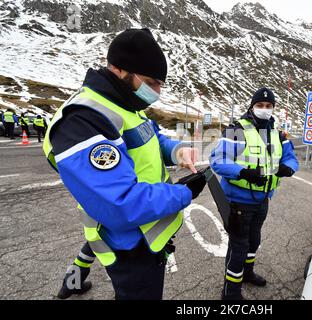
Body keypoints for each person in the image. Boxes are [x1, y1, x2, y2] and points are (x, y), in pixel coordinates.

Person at [43, 28, 206, 300]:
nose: (157, 91)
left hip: (149, 236)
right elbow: (118, 203)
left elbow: (151, 139)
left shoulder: (127, 106)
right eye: (151, 82)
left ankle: (73, 280)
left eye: (160, 84)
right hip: (129, 246)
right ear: (119, 69)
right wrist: (184, 192)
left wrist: (177, 151)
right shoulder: (84, 118)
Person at [210, 87, 299, 300]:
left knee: (254, 240)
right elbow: (218, 160)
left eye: (269, 106)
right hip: (238, 201)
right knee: (239, 246)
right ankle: (230, 292)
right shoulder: (236, 129)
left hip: (263, 199)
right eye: (260, 105)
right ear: (252, 106)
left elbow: (291, 158)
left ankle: (247, 274)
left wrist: (288, 168)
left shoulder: (278, 134)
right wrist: (242, 172)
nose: (264, 109)